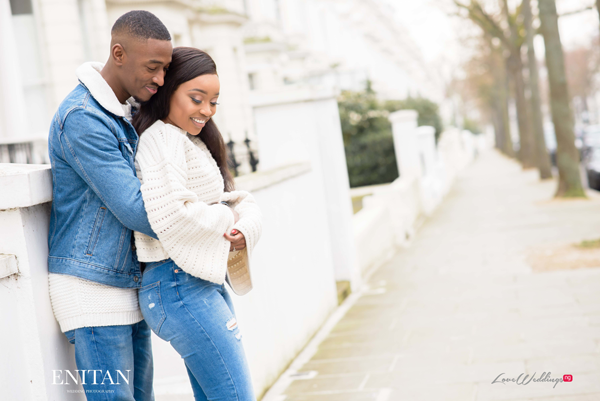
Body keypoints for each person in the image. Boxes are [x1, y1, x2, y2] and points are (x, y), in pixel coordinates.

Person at [46, 10, 172, 400]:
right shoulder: (82, 118)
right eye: (153, 67)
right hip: (92, 290)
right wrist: (205, 217)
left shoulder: (122, 113)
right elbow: (137, 210)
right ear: (119, 53)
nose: (160, 79)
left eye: (165, 69)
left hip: (125, 284)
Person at [131, 47, 263, 401]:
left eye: (214, 101)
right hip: (177, 286)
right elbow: (173, 212)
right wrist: (229, 219)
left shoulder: (188, 140)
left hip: (193, 285)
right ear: (169, 91)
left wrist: (243, 220)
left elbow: (221, 199)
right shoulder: (162, 139)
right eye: (197, 98)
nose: (207, 110)